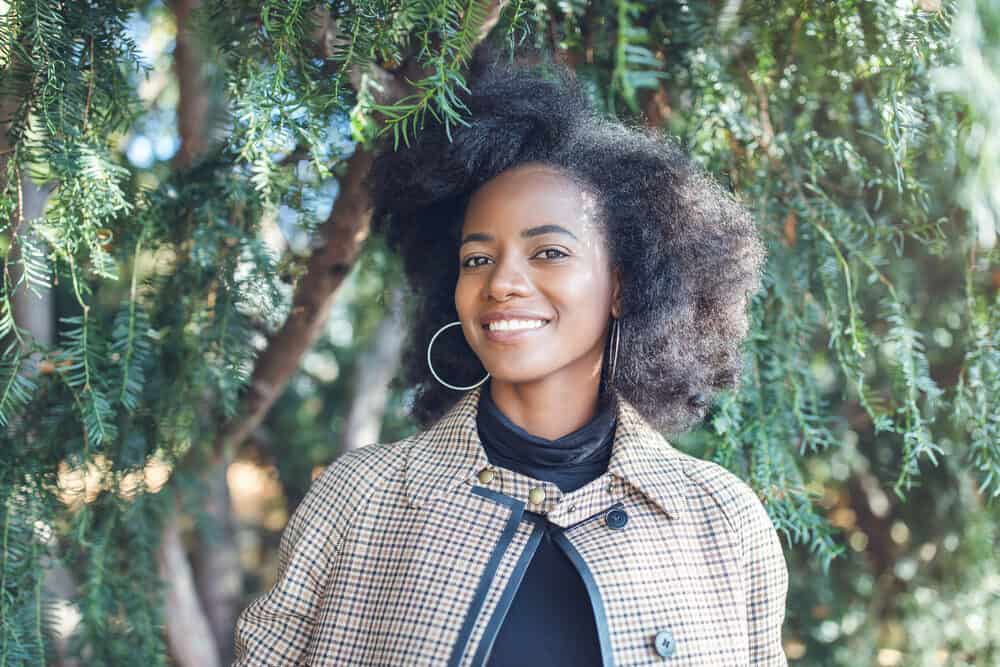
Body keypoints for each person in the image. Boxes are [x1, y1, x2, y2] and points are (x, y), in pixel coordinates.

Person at [233, 47, 788, 666]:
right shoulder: (359, 498)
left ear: (625, 286)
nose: (502, 282)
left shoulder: (722, 519)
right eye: (477, 258)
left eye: (549, 252)